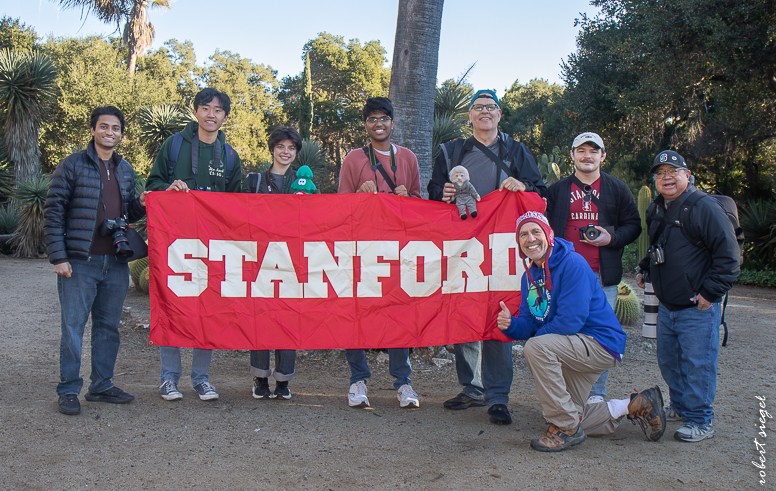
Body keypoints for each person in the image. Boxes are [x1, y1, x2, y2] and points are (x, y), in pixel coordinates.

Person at [497, 211, 666, 452]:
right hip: (571, 345)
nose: (530, 238)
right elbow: (529, 320)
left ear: (549, 234)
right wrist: (512, 325)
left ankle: (566, 429)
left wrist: (536, 340)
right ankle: (635, 405)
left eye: (536, 231)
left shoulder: (571, 264)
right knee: (570, 416)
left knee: (536, 349)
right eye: (523, 234)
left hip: (598, 342)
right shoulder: (529, 277)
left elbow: (570, 321)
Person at [427, 89, 547, 425]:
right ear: (469, 116)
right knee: (464, 312)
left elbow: (540, 191)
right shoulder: (452, 151)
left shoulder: (516, 151)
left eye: (490, 107)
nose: (484, 113)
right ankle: (471, 388)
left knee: (499, 314)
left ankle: (498, 396)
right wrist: (444, 193)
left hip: (502, 246)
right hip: (462, 246)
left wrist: (521, 186)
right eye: (478, 108)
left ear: (499, 114)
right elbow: (433, 192)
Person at [45, 106, 147, 415]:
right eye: (104, 127)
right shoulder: (72, 165)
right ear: (93, 130)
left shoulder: (125, 169)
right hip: (80, 261)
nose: (110, 132)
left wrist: (141, 204)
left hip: (115, 263)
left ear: (120, 133)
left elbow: (128, 213)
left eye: (116, 128)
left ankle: (101, 385)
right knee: (73, 328)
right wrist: (58, 257)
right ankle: (68, 389)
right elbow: (53, 212)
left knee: (108, 328)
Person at [146, 87, 242, 402]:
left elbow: (236, 204)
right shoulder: (174, 146)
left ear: (225, 117)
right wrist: (169, 187)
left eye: (218, 110)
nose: (211, 114)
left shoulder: (230, 155)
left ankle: (201, 378)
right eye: (205, 108)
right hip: (176, 243)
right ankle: (168, 379)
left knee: (208, 311)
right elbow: (152, 187)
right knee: (172, 306)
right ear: (196, 111)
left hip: (214, 246)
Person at [637, 150, 739, 442]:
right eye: (660, 173)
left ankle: (701, 420)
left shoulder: (704, 207)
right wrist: (646, 266)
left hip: (698, 305)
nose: (667, 177)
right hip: (667, 304)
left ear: (688, 175)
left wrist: (710, 292)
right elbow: (658, 244)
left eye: (673, 171)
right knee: (669, 361)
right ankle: (680, 408)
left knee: (698, 363)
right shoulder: (657, 208)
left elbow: (729, 257)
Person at [544, 132, 641, 404]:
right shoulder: (558, 190)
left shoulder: (617, 189)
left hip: (602, 275)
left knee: (598, 336)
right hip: (565, 275)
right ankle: (566, 394)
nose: (588, 156)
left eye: (593, 151)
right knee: (564, 332)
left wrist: (612, 237)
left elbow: (633, 225)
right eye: (581, 150)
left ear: (603, 155)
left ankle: (595, 394)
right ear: (572, 155)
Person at [338, 96, 422, 408]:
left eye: (383, 118)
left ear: (392, 123)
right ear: (366, 125)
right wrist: (358, 196)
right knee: (357, 314)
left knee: (399, 313)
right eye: (372, 119)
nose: (378, 124)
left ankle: (403, 382)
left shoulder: (409, 158)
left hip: (398, 250)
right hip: (361, 248)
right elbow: (339, 205)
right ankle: (358, 380)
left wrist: (407, 197)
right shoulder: (354, 159)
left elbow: (419, 205)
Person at [243, 126, 305, 399]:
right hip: (260, 259)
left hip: (292, 261)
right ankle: (260, 379)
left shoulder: (304, 183)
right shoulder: (254, 180)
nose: (286, 152)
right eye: (281, 146)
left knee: (288, 319)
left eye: (291, 148)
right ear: (272, 149)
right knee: (260, 319)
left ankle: (283, 381)